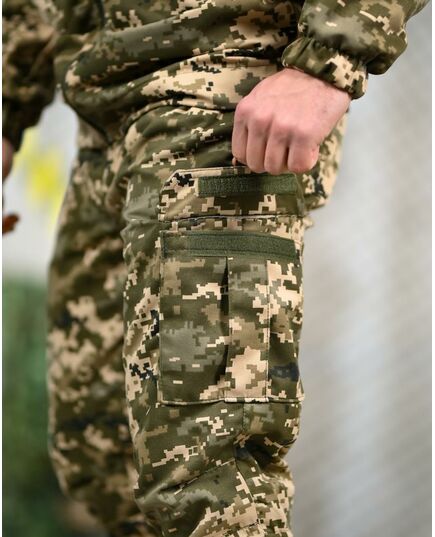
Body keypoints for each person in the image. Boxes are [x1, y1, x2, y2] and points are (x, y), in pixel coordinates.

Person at [2, 1, 428, 535]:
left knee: (211, 479)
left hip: (221, 105)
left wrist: (328, 62)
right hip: (103, 116)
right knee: (102, 452)